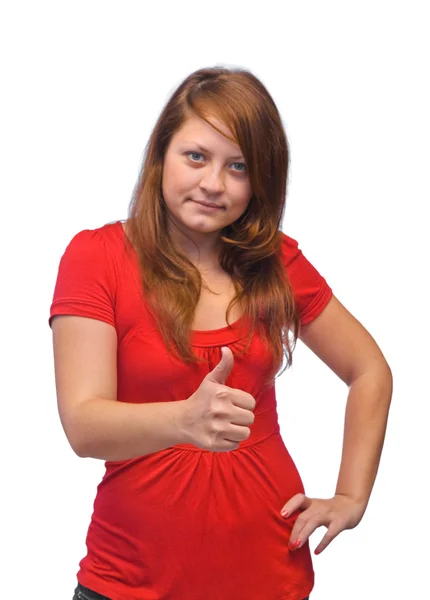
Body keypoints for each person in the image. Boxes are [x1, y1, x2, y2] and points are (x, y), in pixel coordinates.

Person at [49, 66, 393, 600]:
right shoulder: (97, 257)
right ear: (160, 154)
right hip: (130, 583)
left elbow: (369, 370)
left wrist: (352, 494)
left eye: (239, 167)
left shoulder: (275, 261)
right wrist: (184, 420)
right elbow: (83, 426)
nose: (213, 184)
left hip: (269, 577)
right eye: (196, 157)